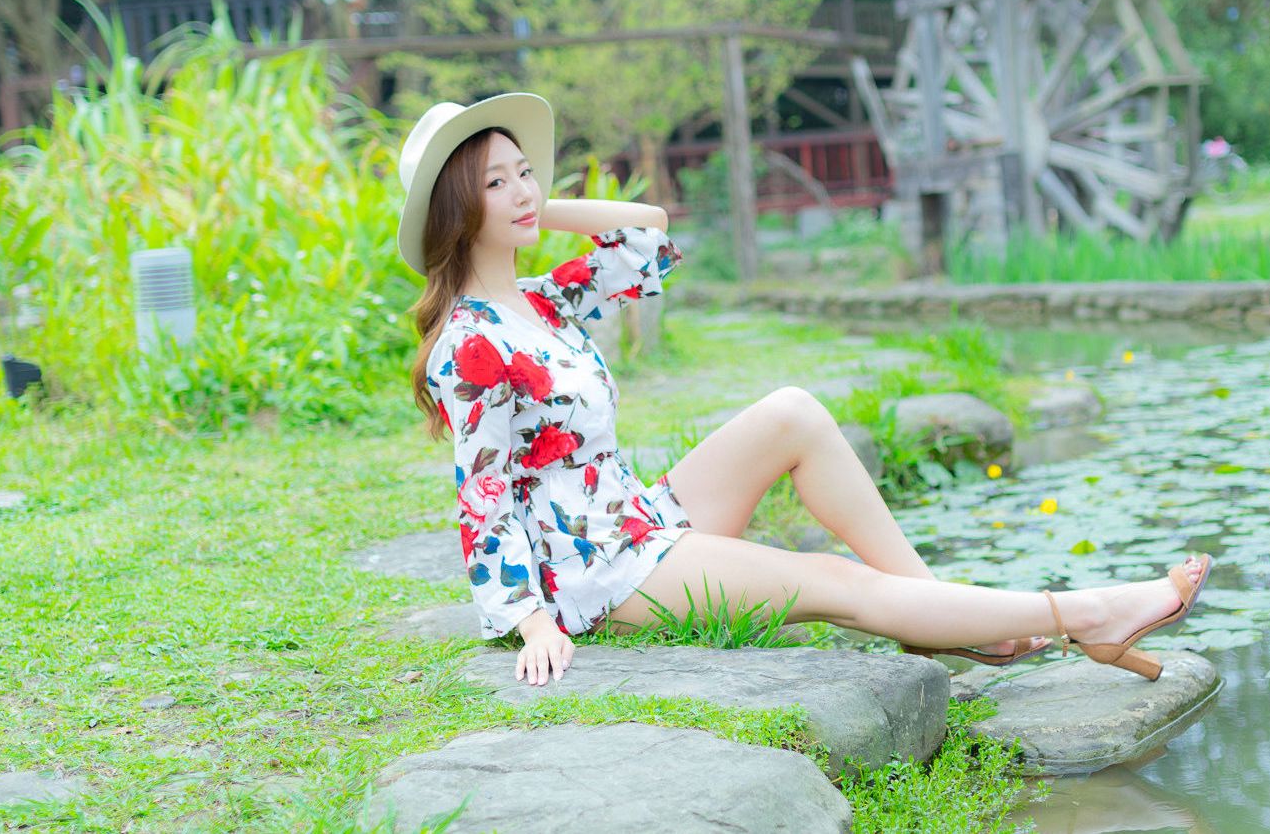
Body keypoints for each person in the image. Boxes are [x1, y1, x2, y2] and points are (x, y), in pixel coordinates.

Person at [401, 94, 1211, 690]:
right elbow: (483, 496)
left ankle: (941, 614)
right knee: (832, 580)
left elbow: (646, 236)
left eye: (525, 171)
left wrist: (534, 207)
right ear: (456, 207)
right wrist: (531, 621)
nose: (523, 189)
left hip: (631, 520)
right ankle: (1087, 614)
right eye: (495, 182)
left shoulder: (542, 301)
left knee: (793, 410)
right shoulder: (471, 343)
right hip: (596, 577)